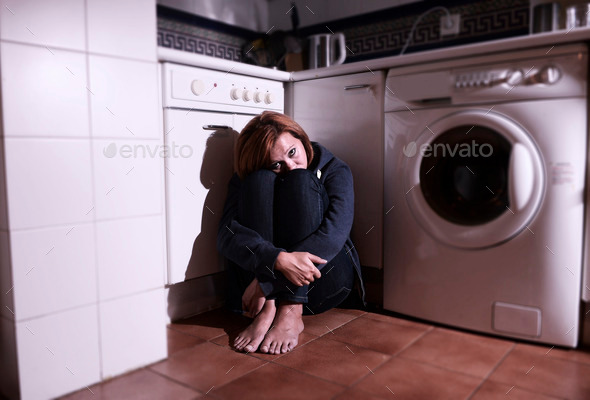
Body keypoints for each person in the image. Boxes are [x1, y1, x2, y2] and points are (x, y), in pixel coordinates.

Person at [217, 111, 365, 355]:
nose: (290, 165)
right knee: (258, 181)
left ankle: (291, 311)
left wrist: (267, 281)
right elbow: (227, 234)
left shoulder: (335, 169)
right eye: (276, 165)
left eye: (293, 152)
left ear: (301, 138)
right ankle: (269, 310)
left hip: (324, 281)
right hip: (263, 298)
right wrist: (277, 260)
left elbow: (333, 234)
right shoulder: (246, 177)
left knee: (299, 180)